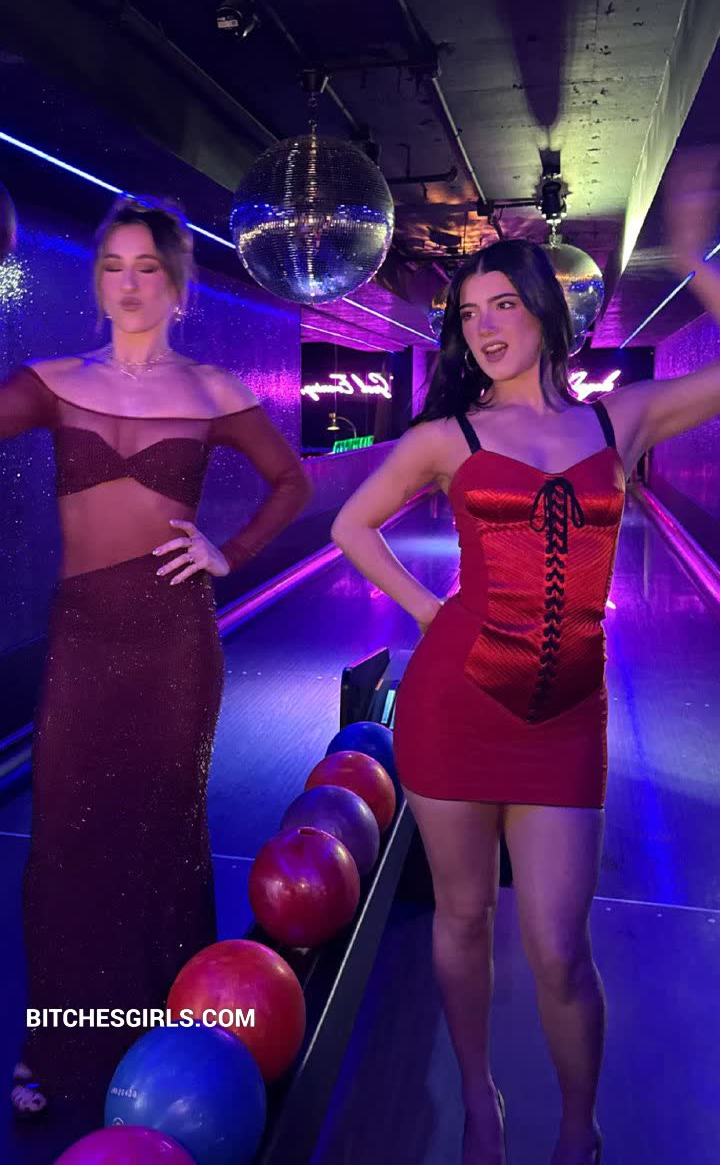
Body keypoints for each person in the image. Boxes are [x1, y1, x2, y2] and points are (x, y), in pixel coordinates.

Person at [331, 152, 720, 1165]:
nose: (487, 326)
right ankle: (478, 1098)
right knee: (461, 917)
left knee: (558, 948)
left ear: (546, 308)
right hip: (454, 702)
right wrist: (430, 610)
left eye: (504, 303)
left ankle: (580, 1132)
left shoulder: (618, 418)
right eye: (470, 314)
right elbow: (351, 526)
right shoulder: (446, 435)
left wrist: (695, 257)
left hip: (567, 715)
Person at [0, 196, 312, 1116]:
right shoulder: (51, 381)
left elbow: (291, 481)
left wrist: (231, 553)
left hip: (175, 643)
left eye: (147, 268)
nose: (129, 284)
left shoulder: (214, 390)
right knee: (65, 836)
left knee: (164, 833)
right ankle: (59, 1045)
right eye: (113, 266)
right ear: (97, 281)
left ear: (178, 286)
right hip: (83, 636)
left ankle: (168, 1040)